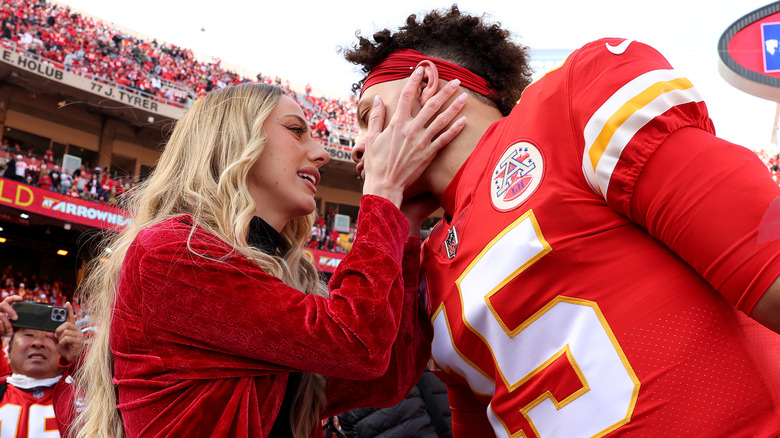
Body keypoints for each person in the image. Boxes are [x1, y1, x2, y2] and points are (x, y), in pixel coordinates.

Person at [345, 5, 780, 437]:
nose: (358, 147)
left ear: (425, 82)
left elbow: (769, 269)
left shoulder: (570, 102)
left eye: (366, 117)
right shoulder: (427, 271)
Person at [73, 81, 467, 438]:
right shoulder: (170, 252)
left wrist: (407, 224)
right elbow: (356, 343)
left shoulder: (275, 267)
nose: (322, 153)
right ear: (232, 141)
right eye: (296, 130)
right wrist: (381, 196)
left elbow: (385, 378)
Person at [0, 296, 85, 438]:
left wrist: (81, 361)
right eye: (28, 335)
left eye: (50, 337)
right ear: (8, 349)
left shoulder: (86, 394)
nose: (38, 343)